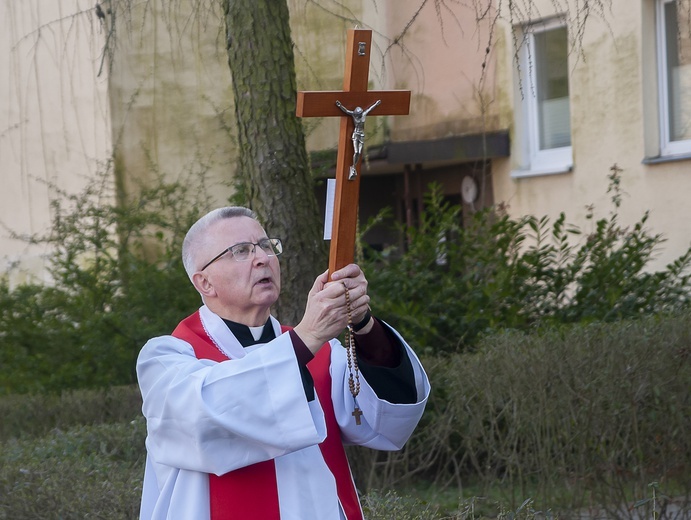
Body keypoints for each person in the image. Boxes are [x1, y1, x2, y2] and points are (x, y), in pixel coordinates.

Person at [136, 206, 430, 520]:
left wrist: (362, 323)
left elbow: (385, 421)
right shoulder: (167, 359)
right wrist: (308, 336)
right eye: (240, 251)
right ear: (205, 283)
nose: (262, 258)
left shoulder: (323, 353)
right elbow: (207, 413)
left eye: (266, 245)